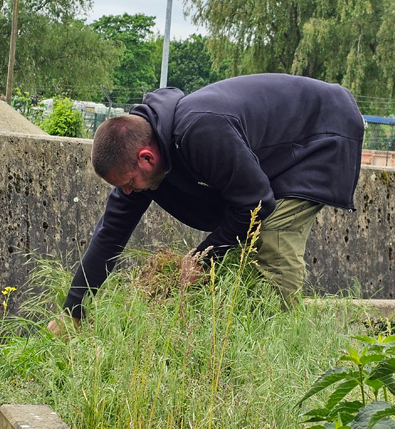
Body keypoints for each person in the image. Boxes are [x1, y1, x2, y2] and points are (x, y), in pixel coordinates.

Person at [54, 73, 365, 328]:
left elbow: (256, 204)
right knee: (238, 247)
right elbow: (111, 232)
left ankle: (278, 343)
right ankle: (246, 335)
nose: (129, 192)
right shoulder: (149, 153)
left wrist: (202, 259)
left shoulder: (200, 130)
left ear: (145, 158)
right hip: (279, 150)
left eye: (129, 183)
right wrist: (73, 312)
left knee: (273, 237)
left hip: (322, 132)